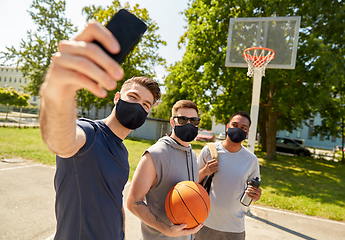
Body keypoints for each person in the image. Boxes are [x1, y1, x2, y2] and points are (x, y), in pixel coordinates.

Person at [39, 20, 161, 240]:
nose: (139, 106)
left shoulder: (123, 152)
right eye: (133, 97)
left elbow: (114, 200)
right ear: (117, 98)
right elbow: (60, 140)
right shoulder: (89, 134)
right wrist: (57, 93)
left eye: (146, 104)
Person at [126, 100, 203, 240]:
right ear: (172, 122)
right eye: (182, 119)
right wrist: (166, 229)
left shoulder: (191, 154)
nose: (188, 124)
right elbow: (133, 202)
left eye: (194, 121)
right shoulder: (156, 153)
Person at [195, 111, 262, 240]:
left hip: (234, 228)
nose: (238, 130)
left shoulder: (251, 160)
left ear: (247, 132)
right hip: (205, 223)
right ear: (227, 127)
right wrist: (204, 171)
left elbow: (252, 196)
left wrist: (255, 196)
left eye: (243, 128)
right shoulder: (209, 150)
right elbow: (192, 182)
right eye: (235, 125)